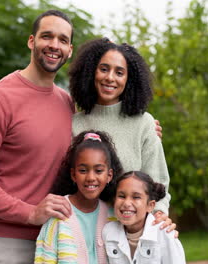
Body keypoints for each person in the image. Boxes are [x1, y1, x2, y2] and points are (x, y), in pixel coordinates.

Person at [0, 10, 75, 264]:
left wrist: (143, 126)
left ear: (70, 50)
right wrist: (30, 213)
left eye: (62, 40)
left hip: (58, 239)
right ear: (31, 41)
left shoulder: (66, 103)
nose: (54, 45)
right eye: (47, 36)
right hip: (8, 243)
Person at [69, 38, 171, 217]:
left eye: (119, 72)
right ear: (91, 72)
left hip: (128, 231)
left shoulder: (144, 124)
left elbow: (158, 183)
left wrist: (159, 215)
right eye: (104, 69)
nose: (110, 78)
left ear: (129, 79)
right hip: (81, 228)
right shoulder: (74, 124)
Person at [34, 130, 123, 264]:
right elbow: (44, 258)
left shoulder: (113, 215)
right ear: (73, 175)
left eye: (98, 171)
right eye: (83, 170)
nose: (91, 178)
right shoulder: (59, 212)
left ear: (109, 175)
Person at [103, 171, 186, 264]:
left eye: (136, 197)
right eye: (121, 196)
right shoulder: (107, 232)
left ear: (150, 205)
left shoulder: (165, 234)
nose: (126, 203)